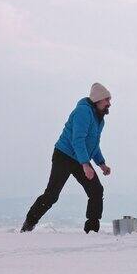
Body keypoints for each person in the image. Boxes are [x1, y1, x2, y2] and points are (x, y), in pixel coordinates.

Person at [21, 83, 112, 233]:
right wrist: (85, 164)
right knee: (52, 195)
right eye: (107, 100)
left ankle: (92, 231)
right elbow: (78, 139)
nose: (109, 103)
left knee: (96, 190)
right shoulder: (83, 111)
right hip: (64, 155)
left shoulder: (99, 119)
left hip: (80, 157)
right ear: (98, 99)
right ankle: (29, 224)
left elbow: (93, 144)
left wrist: (101, 163)